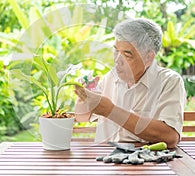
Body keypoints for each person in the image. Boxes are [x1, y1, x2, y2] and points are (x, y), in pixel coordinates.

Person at [74, 18, 186, 148]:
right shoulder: (111, 78)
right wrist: (84, 98)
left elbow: (170, 137)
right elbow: (82, 117)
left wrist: (111, 111)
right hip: (107, 160)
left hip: (148, 162)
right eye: (116, 51)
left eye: (127, 54)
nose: (117, 60)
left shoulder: (169, 81)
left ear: (149, 57)